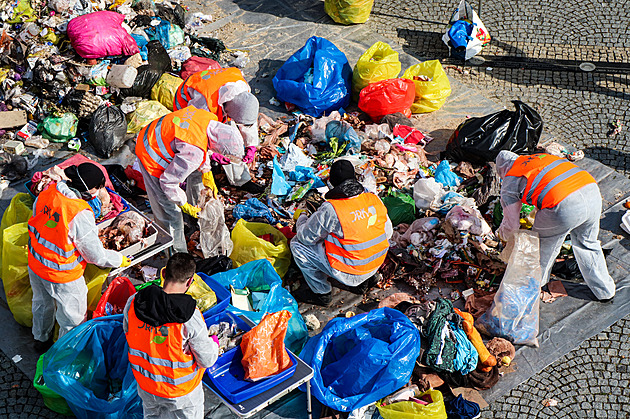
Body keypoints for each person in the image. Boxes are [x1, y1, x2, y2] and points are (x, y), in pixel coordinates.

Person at [28, 162, 130, 352]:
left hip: (35, 263)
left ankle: (40, 340)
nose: (98, 192)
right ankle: (62, 355)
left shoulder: (48, 193)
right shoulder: (79, 212)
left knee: (41, 304)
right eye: (98, 188)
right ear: (87, 188)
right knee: (72, 319)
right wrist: (118, 259)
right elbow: (94, 255)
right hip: (62, 274)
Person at [495, 150, 616, 301]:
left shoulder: (510, 179)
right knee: (588, 243)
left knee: (542, 249)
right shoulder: (539, 157)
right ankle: (605, 291)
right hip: (591, 191)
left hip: (563, 205)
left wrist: (501, 236)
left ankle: (533, 288)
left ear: (501, 170)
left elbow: (511, 225)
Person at [135, 105, 243, 253]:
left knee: (175, 201)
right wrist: (184, 204)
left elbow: (201, 141)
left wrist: (206, 171)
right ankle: (177, 256)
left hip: (155, 132)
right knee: (170, 214)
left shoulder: (208, 118)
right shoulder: (193, 152)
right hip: (150, 153)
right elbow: (167, 183)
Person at [123, 253, 219, 419]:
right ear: (190, 281)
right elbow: (207, 360)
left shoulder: (134, 302)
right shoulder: (190, 317)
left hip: (147, 386)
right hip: (181, 393)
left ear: (164, 273)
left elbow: (128, 331)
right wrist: (214, 344)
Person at [290, 160, 393, 306]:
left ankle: (321, 294)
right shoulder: (373, 198)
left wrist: (302, 217)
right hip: (376, 262)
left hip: (351, 271)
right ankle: (367, 280)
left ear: (331, 183)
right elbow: (388, 232)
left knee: (296, 244)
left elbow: (305, 238)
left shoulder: (331, 209)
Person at [173, 67, 260, 164]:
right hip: (186, 100)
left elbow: (247, 117)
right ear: (227, 111)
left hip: (212, 86)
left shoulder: (243, 89)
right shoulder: (204, 104)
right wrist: (210, 153)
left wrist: (251, 144)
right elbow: (195, 132)